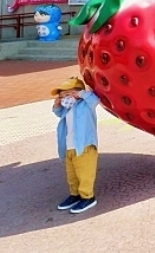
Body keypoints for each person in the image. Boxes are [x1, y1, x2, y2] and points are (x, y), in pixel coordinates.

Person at [51, 76, 100, 214]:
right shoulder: (67, 109)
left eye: (67, 94)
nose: (64, 98)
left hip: (84, 146)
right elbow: (58, 112)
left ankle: (88, 197)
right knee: (72, 175)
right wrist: (57, 105)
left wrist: (81, 94)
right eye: (61, 96)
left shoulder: (85, 105)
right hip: (69, 147)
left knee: (85, 174)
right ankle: (75, 195)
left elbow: (94, 99)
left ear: (76, 93)